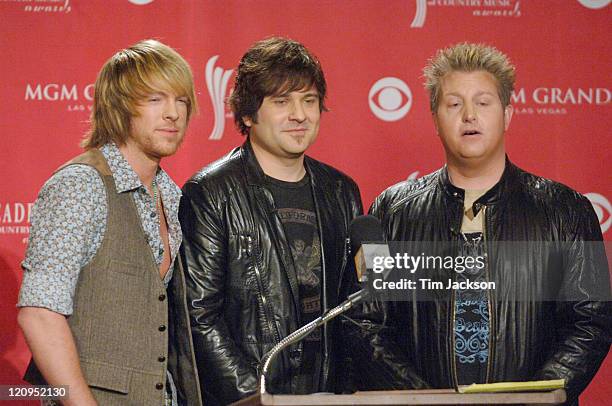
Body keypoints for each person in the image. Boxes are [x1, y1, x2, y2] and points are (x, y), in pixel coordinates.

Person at [343, 43, 611, 405]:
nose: (469, 115)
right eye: (454, 104)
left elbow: (591, 321)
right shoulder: (391, 211)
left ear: (507, 114)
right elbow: (365, 322)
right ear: (435, 118)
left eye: (483, 103)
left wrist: (534, 398)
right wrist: (425, 399)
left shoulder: (566, 210)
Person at [178, 37, 363, 405]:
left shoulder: (342, 190)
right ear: (248, 114)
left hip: (329, 395)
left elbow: (360, 306)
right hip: (250, 396)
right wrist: (257, 398)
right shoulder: (211, 191)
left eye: (309, 101)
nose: (300, 115)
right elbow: (199, 316)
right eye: (282, 102)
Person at [17, 39, 202, 406]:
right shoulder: (81, 184)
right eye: (155, 99)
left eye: (181, 100)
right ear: (120, 107)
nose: (173, 113)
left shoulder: (174, 195)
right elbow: (39, 313)